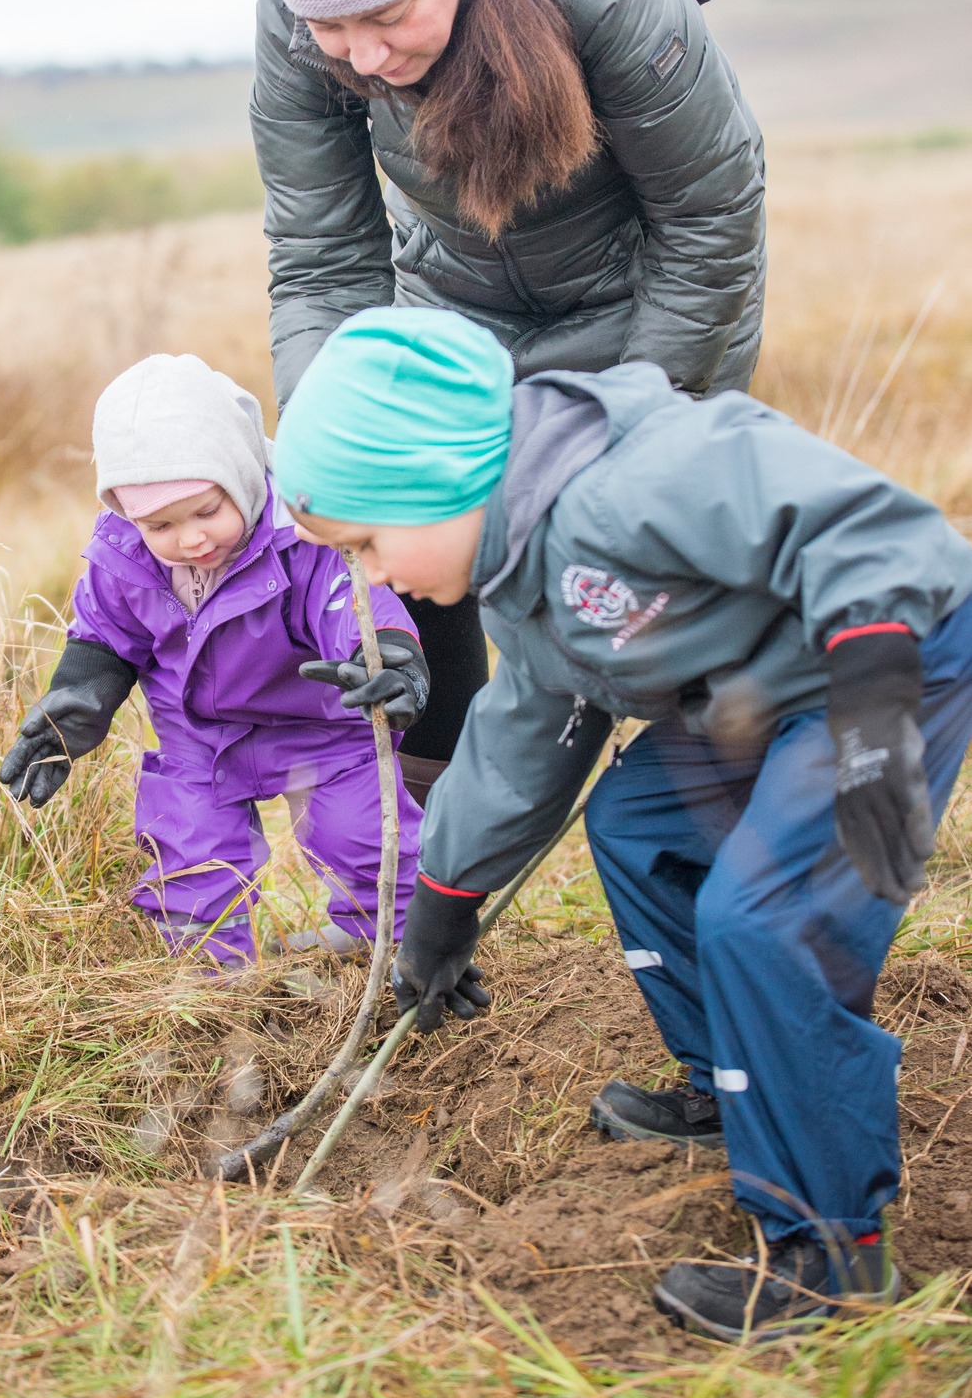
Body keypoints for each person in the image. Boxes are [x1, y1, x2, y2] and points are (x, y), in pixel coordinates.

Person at [274, 307, 972, 1341]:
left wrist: (873, 711)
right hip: (762, 697)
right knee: (632, 817)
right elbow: (525, 731)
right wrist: (442, 904)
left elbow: (868, 531)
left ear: (433, 474)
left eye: (369, 541)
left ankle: (831, 1256)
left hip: (878, 660)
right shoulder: (514, 573)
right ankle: (730, 1084)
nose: (373, 575)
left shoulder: (637, 476)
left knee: (760, 921)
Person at [252, 0, 767, 809]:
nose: (360, 57)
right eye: (330, 30)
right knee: (412, 543)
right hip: (453, 310)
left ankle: (719, 845)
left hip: (646, 303)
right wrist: (335, 449)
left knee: (647, 592)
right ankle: (428, 894)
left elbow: (711, 210)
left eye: (387, 18)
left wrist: (622, 425)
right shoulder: (296, 20)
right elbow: (320, 256)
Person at [0, 353, 425, 966]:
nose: (192, 539)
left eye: (206, 511)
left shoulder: (302, 534)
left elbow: (349, 603)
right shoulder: (123, 553)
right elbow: (105, 634)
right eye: (161, 524)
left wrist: (385, 659)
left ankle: (392, 945)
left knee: (362, 837)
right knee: (191, 859)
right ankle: (213, 980)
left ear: (244, 474)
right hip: (197, 736)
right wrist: (82, 697)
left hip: (320, 722)